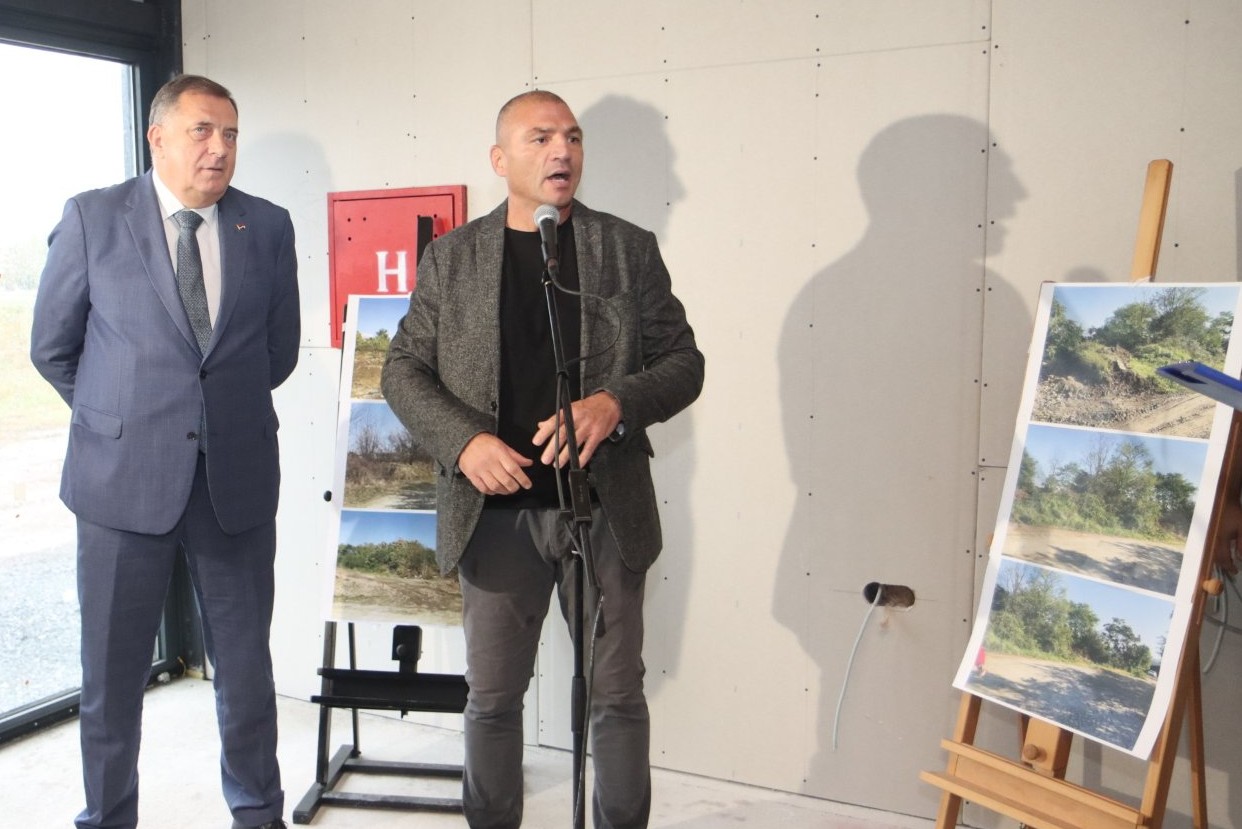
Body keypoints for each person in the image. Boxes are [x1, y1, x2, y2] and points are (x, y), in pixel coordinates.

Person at [382, 89, 704, 828]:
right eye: (541, 138)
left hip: (604, 509)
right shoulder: (453, 258)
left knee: (616, 695)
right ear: (500, 159)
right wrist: (464, 441)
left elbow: (684, 362)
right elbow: (402, 370)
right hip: (495, 516)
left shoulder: (626, 248)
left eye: (573, 137)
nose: (563, 151)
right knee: (493, 698)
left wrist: (615, 402)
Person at [30, 74, 299, 829]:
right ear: (157, 137)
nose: (219, 148)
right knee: (112, 680)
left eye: (231, 134)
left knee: (246, 674)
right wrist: (125, 419)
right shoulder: (93, 218)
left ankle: (258, 815)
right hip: (120, 484)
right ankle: (108, 817)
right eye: (202, 130)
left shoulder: (267, 226)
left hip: (234, 482)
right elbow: (53, 348)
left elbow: (277, 353)